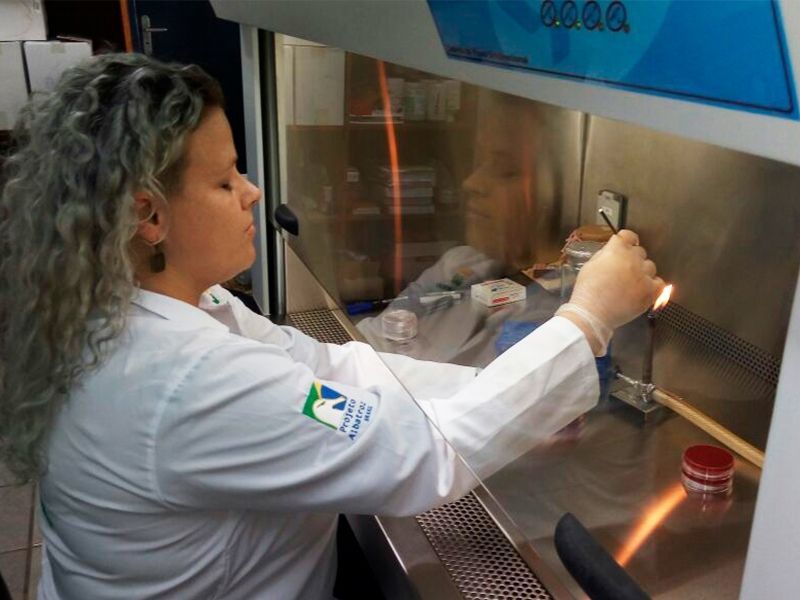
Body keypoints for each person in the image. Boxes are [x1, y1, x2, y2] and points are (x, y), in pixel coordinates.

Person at [0, 54, 663, 600]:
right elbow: (420, 460)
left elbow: (327, 370)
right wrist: (590, 319)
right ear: (149, 216)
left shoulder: (162, 307)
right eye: (225, 181)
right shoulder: (182, 379)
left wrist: (509, 388)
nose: (252, 192)